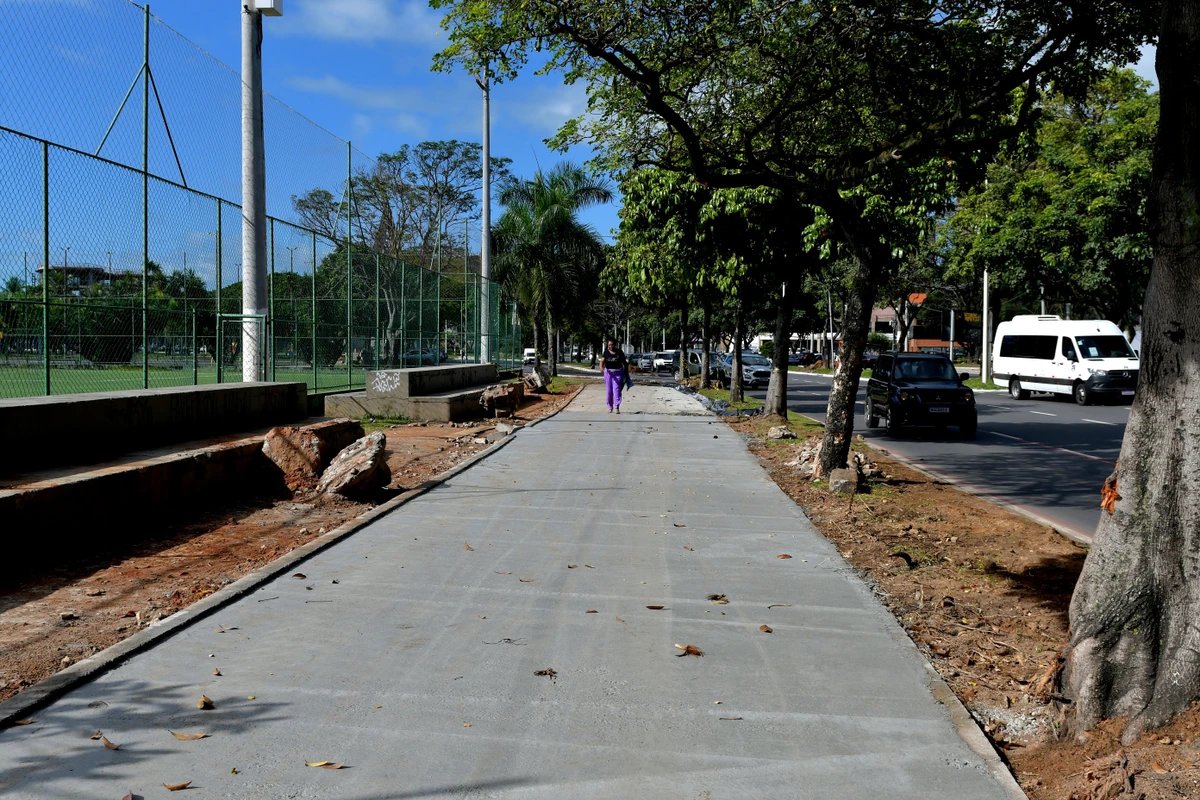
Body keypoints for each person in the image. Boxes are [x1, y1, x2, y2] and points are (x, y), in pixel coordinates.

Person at [599, 337, 628, 413]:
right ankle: (610, 407)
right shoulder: (606, 352)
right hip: (608, 373)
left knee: (617, 390)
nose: (610, 346)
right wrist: (601, 368)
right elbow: (602, 361)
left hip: (618, 373)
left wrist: (626, 372)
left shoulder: (619, 352)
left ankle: (617, 407)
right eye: (609, 345)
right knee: (609, 391)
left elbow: (624, 362)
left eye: (612, 345)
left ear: (615, 345)